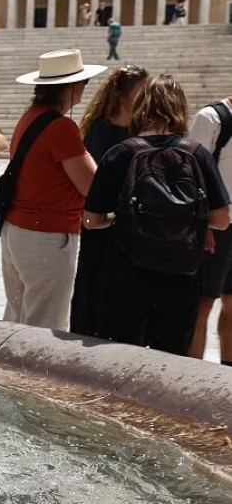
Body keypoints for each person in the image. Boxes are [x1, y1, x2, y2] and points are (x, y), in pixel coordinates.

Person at [83, 75, 231, 355]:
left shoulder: (120, 153)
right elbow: (222, 220)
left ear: (142, 106)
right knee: (169, 361)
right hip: (182, 278)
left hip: (126, 275)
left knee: (119, 357)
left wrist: (121, 217)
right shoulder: (197, 154)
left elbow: (91, 220)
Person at [2, 49, 105, 330]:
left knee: (16, 321)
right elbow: (92, 186)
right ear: (72, 87)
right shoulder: (61, 127)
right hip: (45, 236)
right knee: (45, 326)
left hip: (16, 230)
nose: (84, 88)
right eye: (84, 83)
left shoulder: (29, 117)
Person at [69, 64, 149, 338]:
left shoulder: (141, 130)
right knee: (94, 299)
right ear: (123, 95)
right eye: (142, 91)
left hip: (132, 234)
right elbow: (96, 186)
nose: (147, 97)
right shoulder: (99, 130)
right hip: (100, 228)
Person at [187, 91, 232, 362]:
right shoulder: (211, 118)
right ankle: (193, 375)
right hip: (216, 227)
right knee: (203, 305)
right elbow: (191, 173)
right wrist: (204, 225)